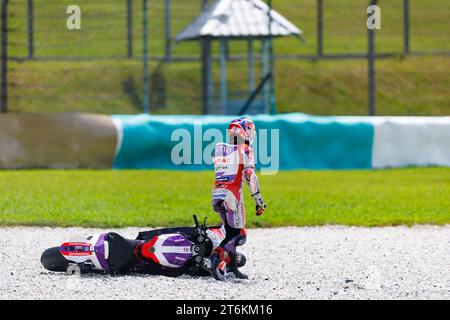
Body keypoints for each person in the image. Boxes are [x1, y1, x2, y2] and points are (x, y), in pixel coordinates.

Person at [205, 117, 266, 280]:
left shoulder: (219, 148)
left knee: (229, 232)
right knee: (239, 235)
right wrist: (258, 200)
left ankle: (232, 268)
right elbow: (249, 176)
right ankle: (215, 259)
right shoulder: (245, 149)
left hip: (217, 195)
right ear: (245, 131)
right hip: (232, 197)